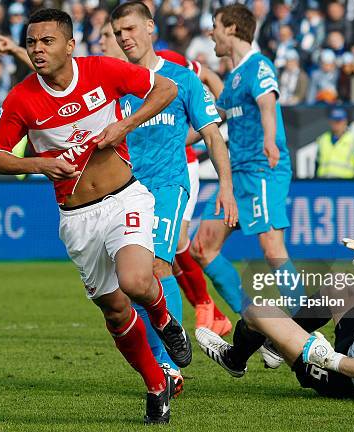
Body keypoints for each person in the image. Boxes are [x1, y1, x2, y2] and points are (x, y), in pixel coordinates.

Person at [0, 9, 191, 424]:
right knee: (114, 310)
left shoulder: (101, 70)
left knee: (135, 281)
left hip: (124, 198)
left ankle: (165, 319)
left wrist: (123, 126)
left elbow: (165, 89)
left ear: (70, 45)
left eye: (46, 41)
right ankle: (155, 385)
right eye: (31, 43)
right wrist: (40, 164)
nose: (38, 50)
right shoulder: (22, 98)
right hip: (77, 219)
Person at [109, 0, 237, 387]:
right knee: (132, 280)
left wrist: (226, 188)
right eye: (118, 33)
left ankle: (168, 365)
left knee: (158, 267)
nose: (124, 38)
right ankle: (161, 357)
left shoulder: (182, 79)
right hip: (128, 191)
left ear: (150, 28)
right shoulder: (116, 83)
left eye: (129, 29)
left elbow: (213, 135)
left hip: (168, 186)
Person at [196, 224, 354, 400]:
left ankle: (234, 360)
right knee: (338, 283)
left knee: (258, 310)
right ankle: (274, 348)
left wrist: (328, 359)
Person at [190, 5, 304, 367]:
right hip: (235, 176)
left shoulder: (259, 66)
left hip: (263, 169)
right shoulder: (236, 74)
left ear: (234, 29)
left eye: (215, 27)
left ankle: (297, 329)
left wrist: (270, 140)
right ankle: (261, 325)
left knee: (273, 249)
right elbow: (217, 118)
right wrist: (180, 141)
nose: (211, 34)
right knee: (201, 248)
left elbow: (268, 105)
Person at [316, 107, 354, 179]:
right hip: (324, 181)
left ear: (345, 121)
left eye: (338, 121)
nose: (336, 124)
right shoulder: (323, 139)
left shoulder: (353, 140)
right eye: (333, 120)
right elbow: (317, 163)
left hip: (345, 182)